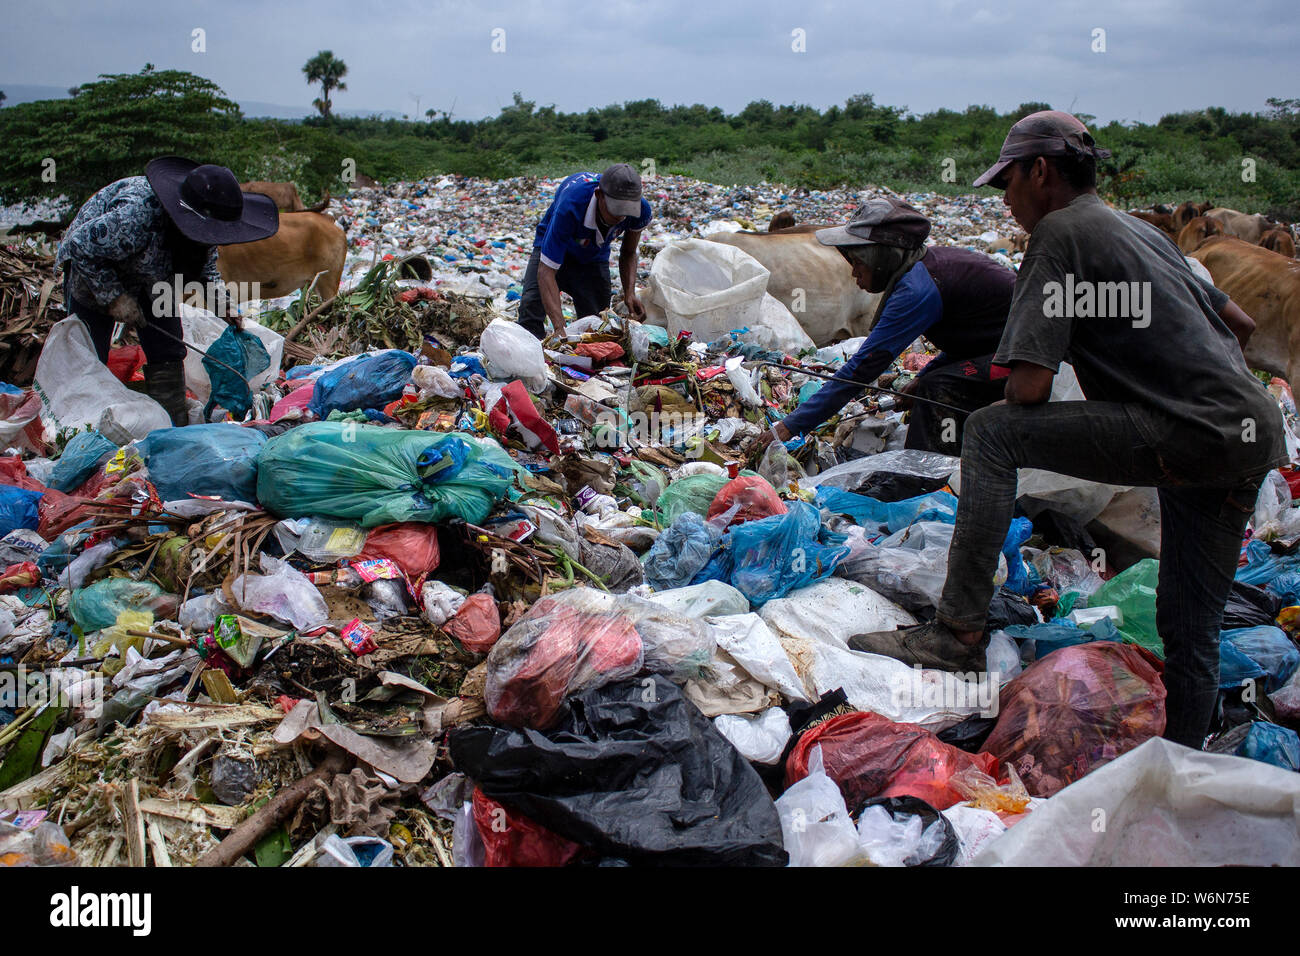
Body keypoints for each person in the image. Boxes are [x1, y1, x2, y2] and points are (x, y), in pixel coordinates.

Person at [850, 111, 1285, 749]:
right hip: (1246, 434)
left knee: (993, 434)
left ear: (1041, 171)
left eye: (1007, 185)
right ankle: (1185, 766)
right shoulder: (1144, 233)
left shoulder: (1059, 234)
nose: (1006, 202)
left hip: (1183, 430)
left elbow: (1026, 388)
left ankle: (957, 633)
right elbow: (1240, 326)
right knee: (1191, 629)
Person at [755, 198, 1017, 456]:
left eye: (858, 262)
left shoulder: (918, 290)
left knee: (938, 387)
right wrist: (922, 376)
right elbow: (974, 342)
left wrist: (791, 425)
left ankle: (920, 478)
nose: (854, 273)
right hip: (1002, 350)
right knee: (930, 381)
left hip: (1027, 361)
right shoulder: (926, 269)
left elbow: (862, 368)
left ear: (882, 257)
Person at [56, 158, 279, 426]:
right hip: (95, 275)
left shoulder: (201, 233)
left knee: (169, 348)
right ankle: (84, 427)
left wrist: (225, 306)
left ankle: (171, 423)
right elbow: (81, 247)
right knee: (90, 356)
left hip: (152, 278)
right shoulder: (135, 217)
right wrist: (114, 297)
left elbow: (206, 270)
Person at [517, 164, 652, 340]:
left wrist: (629, 293)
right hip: (555, 247)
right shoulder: (572, 205)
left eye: (626, 211)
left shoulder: (641, 211)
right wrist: (559, 330)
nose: (620, 218)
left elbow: (628, 252)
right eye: (616, 210)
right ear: (599, 196)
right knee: (530, 310)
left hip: (593, 255)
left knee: (597, 325)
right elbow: (546, 271)